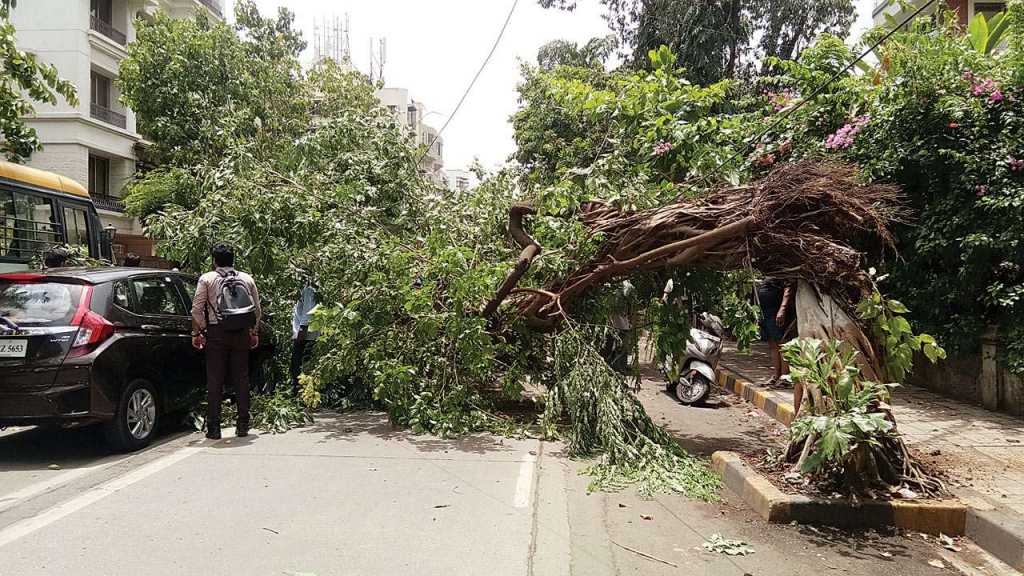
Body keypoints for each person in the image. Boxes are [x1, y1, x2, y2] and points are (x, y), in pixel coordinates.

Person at [190, 242, 261, 440]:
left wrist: (200, 331)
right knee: (241, 378)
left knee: (214, 380)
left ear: (214, 260)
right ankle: (243, 425)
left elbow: (196, 309)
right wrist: (253, 331)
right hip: (240, 333)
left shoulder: (207, 278)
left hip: (216, 332)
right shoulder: (247, 278)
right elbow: (257, 310)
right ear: (233, 259)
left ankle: (214, 428)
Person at [756, 278, 795, 389]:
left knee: (782, 344)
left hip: (776, 311)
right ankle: (776, 376)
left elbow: (788, 287)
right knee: (773, 345)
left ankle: (784, 378)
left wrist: (782, 309)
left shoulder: (781, 271)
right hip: (765, 313)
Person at [290, 282, 319, 395]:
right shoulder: (309, 286)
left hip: (306, 333)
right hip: (307, 332)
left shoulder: (309, 288)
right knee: (303, 363)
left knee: (298, 363)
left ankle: (300, 392)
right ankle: (304, 391)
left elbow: (308, 310)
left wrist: (302, 330)